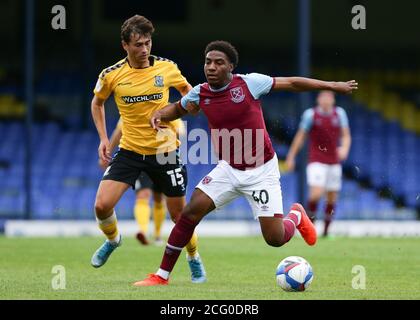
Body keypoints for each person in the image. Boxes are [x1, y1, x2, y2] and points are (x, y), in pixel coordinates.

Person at [133, 40, 358, 286]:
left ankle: (295, 215)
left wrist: (332, 86)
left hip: (261, 171)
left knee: (275, 238)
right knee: (188, 214)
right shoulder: (200, 92)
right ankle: (161, 276)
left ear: (231, 66)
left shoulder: (249, 83)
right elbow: (178, 109)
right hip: (228, 169)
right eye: (208, 62)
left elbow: (292, 83)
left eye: (219, 63)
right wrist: (159, 114)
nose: (211, 67)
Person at [90, 15, 206, 283]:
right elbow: (97, 103)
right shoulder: (111, 75)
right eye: (138, 44)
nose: (144, 49)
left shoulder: (167, 68)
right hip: (130, 151)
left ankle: (193, 257)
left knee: (180, 215)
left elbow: (189, 93)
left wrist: (184, 107)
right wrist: (104, 138)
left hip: (165, 151)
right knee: (101, 205)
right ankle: (113, 239)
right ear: (125, 46)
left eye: (148, 43)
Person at [98, 118, 186, 246]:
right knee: (143, 194)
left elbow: (180, 133)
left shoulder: (168, 111)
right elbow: (119, 132)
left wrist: (164, 130)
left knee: (159, 198)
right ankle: (143, 231)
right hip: (139, 154)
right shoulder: (131, 110)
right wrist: (107, 152)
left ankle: (157, 235)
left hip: (164, 155)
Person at [285, 91, 351, 237]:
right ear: (318, 100)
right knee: (315, 194)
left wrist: (345, 148)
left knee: (332, 197)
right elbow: (300, 136)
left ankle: (327, 231)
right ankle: (311, 229)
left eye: (329, 98)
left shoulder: (339, 114)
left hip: (334, 162)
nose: (326, 101)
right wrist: (291, 156)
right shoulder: (311, 115)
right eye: (323, 98)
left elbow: (346, 135)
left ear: (333, 100)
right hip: (316, 160)